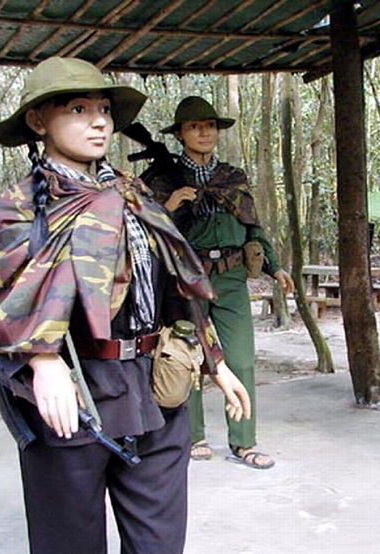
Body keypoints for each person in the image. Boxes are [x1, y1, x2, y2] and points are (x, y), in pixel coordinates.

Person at [0, 57, 250, 553]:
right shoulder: (20, 208)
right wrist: (43, 358)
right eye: (77, 108)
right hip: (72, 393)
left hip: (156, 383)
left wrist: (213, 360)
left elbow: (175, 282)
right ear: (38, 121)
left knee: (159, 541)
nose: (98, 120)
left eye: (102, 109)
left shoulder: (133, 193)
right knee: (69, 540)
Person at [143, 96, 295, 470]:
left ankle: (244, 442)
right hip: (185, 281)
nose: (203, 132)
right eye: (194, 126)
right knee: (189, 358)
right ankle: (192, 437)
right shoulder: (159, 178)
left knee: (241, 360)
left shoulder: (233, 177)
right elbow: (144, 233)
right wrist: (171, 206)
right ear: (180, 133)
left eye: (209, 125)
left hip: (230, 278)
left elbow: (252, 227)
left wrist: (275, 267)